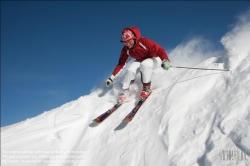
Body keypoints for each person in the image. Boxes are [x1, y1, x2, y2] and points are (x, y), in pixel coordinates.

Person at [105, 26, 171, 103]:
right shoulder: (126, 50)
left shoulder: (144, 42)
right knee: (131, 69)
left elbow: (160, 50)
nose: (128, 44)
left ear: (134, 38)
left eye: (129, 41)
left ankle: (146, 89)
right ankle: (126, 92)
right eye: (125, 42)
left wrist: (165, 60)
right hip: (141, 60)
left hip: (156, 58)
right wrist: (112, 77)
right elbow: (121, 64)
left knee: (145, 64)